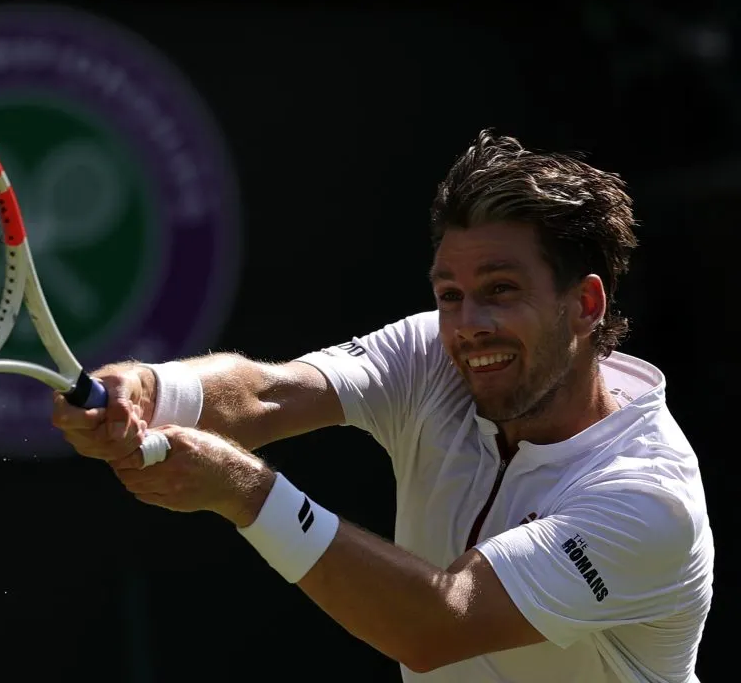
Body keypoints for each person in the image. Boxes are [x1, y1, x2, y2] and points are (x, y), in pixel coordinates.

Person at [52, 129, 714, 682]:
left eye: (501, 290)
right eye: (449, 294)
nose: (467, 323)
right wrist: (148, 390)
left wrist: (243, 491)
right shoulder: (434, 352)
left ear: (586, 304)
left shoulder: (646, 499)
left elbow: (437, 624)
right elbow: (266, 393)